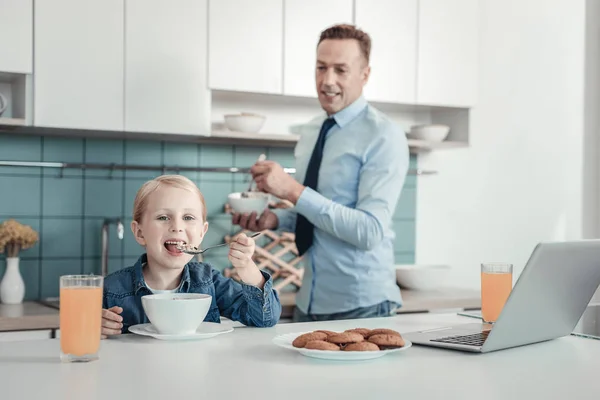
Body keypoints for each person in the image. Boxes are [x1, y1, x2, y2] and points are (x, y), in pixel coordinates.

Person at [232, 24, 410, 322]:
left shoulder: (384, 135)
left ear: (365, 74)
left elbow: (369, 231)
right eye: (321, 68)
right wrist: (275, 219)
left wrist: (291, 190)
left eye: (341, 70)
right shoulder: (311, 131)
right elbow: (320, 214)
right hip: (309, 300)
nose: (327, 81)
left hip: (362, 305)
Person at [101, 175, 281, 338]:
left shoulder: (210, 281)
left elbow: (265, 319)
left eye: (188, 217)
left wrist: (246, 267)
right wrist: (93, 325)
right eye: (163, 217)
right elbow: (78, 331)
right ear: (140, 232)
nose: (177, 227)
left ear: (202, 233)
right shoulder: (111, 290)